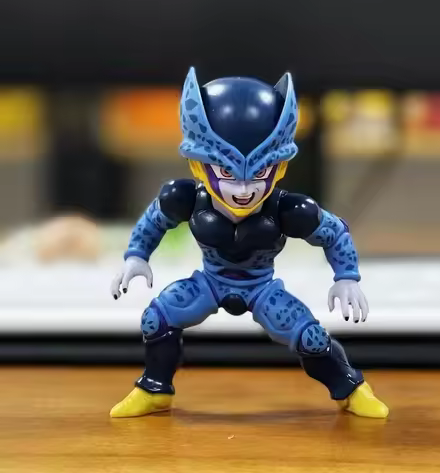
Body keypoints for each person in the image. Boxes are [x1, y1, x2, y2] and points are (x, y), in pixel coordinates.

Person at [109, 67, 389, 419]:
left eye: (258, 174)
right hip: (209, 282)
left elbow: (334, 233)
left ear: (278, 167)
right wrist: (137, 256)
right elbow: (153, 221)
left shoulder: (288, 210)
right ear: (200, 166)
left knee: (312, 339)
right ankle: (154, 388)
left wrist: (346, 276)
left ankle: (351, 388)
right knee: (156, 319)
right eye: (227, 173)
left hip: (261, 287)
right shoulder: (185, 198)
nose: (244, 190)